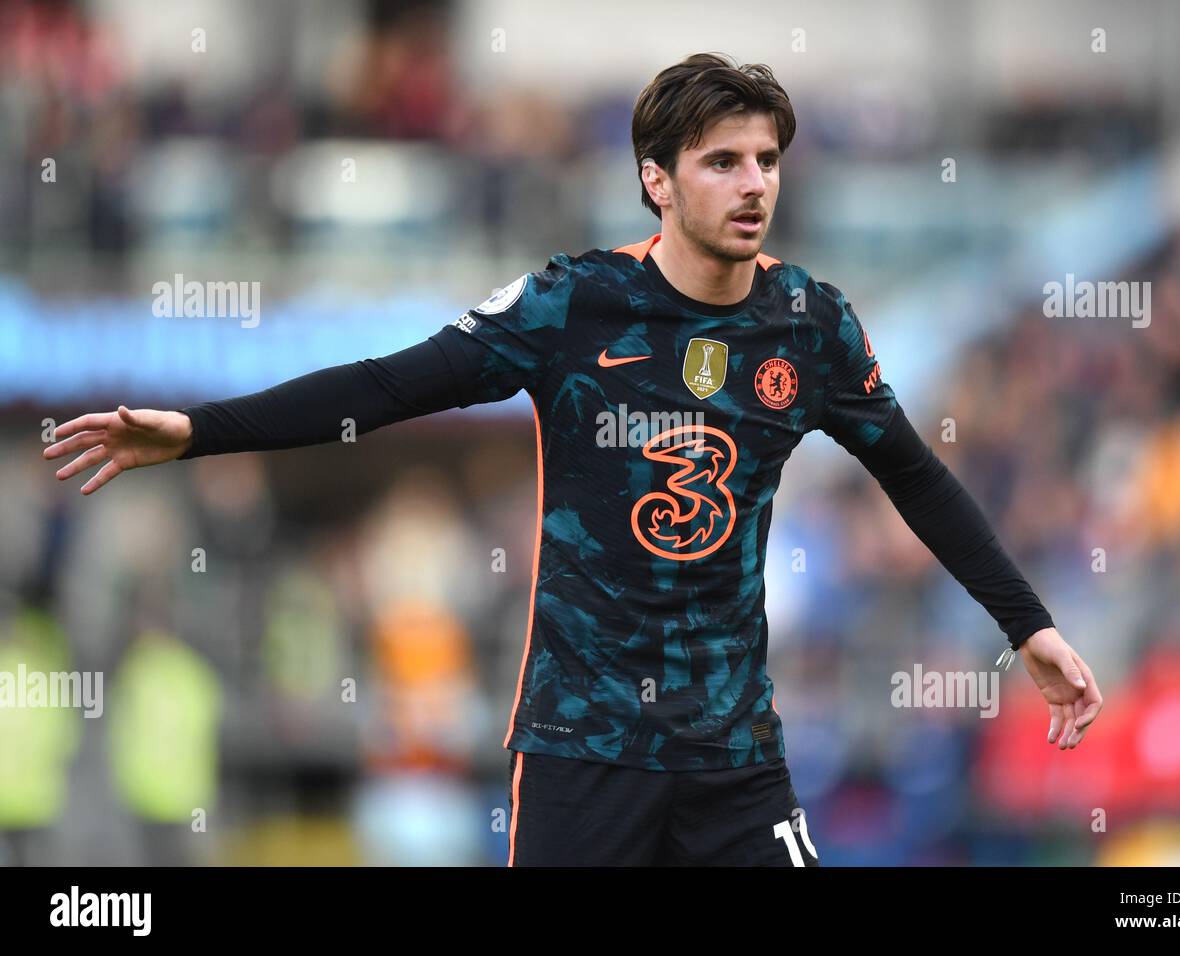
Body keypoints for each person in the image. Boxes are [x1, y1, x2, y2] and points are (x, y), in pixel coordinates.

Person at [43, 52, 1103, 867]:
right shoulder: (570, 306)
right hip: (579, 748)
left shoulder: (808, 325)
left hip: (734, 754)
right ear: (656, 178)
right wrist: (196, 429)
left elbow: (913, 474)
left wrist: (1029, 623)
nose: (753, 184)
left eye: (767, 160)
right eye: (721, 161)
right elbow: (385, 387)